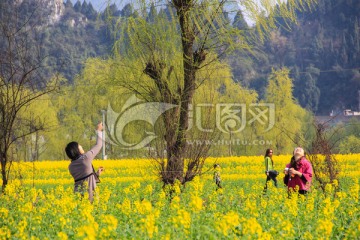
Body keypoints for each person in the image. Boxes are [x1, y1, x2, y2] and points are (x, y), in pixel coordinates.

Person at [65, 122, 105, 202]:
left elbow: (84, 178)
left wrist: (96, 174)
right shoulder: (85, 158)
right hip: (90, 197)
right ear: (76, 150)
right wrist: (99, 130)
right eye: (79, 145)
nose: (81, 146)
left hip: (77, 197)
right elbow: (98, 145)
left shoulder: (71, 166)